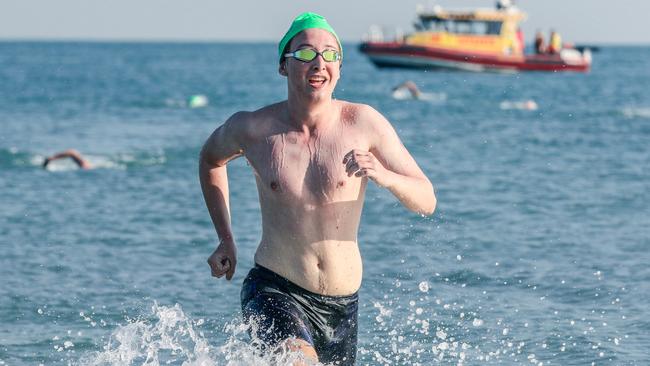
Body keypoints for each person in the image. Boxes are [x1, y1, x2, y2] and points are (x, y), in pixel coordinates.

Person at [200, 12, 436, 365]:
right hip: (274, 289)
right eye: (306, 54)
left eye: (330, 54)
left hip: (343, 308)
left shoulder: (364, 123)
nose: (319, 63)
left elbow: (426, 200)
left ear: (339, 69)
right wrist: (226, 238)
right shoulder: (253, 128)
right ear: (284, 66)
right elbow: (210, 160)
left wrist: (386, 178)